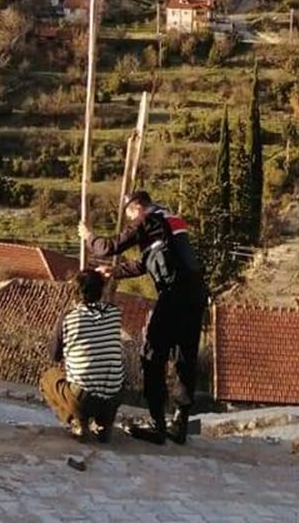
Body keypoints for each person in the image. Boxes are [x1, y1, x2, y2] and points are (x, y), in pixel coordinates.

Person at [79, 188, 208, 446]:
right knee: (185, 357)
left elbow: (111, 246)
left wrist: (88, 237)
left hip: (173, 294)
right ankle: (180, 423)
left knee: (152, 354)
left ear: (136, 206)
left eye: (128, 214)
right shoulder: (170, 220)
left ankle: (157, 424)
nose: (130, 221)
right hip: (196, 295)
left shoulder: (146, 218)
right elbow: (145, 263)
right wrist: (114, 272)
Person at [40, 268, 124, 443]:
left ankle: (76, 422)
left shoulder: (69, 317)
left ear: (76, 292)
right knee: (113, 372)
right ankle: (104, 424)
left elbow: (54, 355)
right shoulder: (114, 313)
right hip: (114, 397)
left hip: (84, 397)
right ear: (102, 290)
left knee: (49, 378)